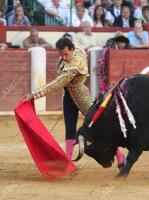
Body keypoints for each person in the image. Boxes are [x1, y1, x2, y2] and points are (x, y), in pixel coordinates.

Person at [24, 38, 126, 168]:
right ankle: (68, 161)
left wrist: (34, 94)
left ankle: (120, 156)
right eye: (61, 55)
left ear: (71, 49)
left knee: (100, 128)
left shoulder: (75, 64)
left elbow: (57, 84)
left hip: (82, 96)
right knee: (70, 128)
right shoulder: (75, 48)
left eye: (66, 54)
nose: (64, 58)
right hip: (68, 97)